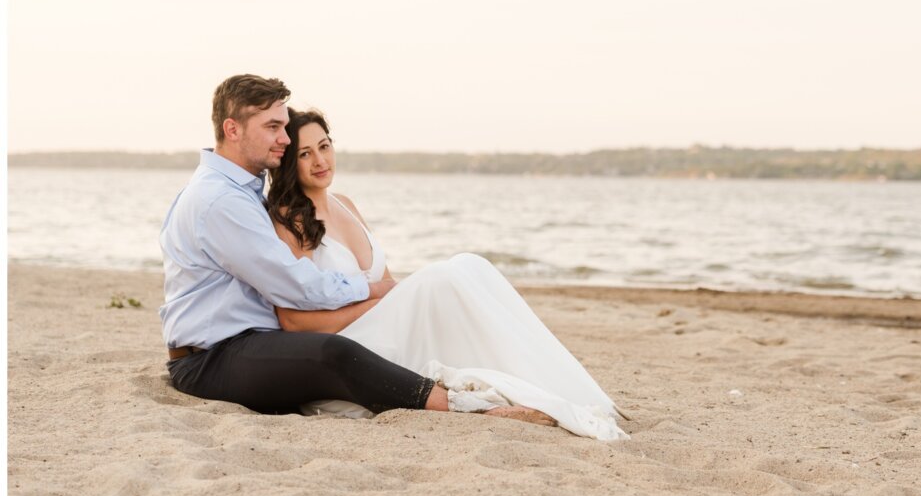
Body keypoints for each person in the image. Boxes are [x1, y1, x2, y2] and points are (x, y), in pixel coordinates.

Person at [159, 74, 552, 426]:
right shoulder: (220, 200)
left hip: (243, 345)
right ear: (232, 129)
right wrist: (372, 289)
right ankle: (467, 408)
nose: (284, 137)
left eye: (284, 126)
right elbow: (296, 285)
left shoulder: (238, 191)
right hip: (212, 358)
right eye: (273, 127)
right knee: (331, 353)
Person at [266, 108, 629, 441]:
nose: (319, 160)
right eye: (304, 154)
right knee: (441, 279)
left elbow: (388, 282)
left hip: (390, 324)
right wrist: (385, 298)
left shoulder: (346, 203)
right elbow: (295, 322)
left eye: (324, 146)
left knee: (471, 265)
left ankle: (555, 384)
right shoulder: (291, 218)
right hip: (352, 341)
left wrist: (392, 295)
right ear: (288, 163)